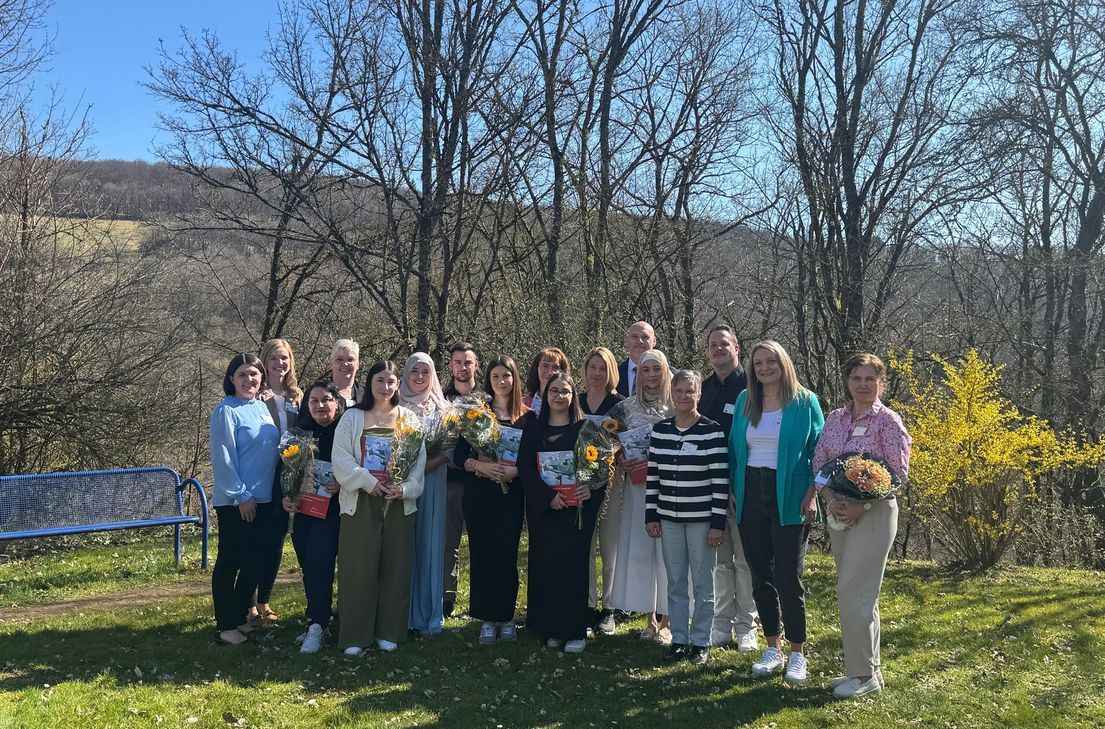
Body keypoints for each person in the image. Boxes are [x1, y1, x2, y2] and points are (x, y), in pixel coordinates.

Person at [813, 353, 911, 699]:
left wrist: (862, 503)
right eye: (857, 378)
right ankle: (870, 671)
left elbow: (898, 474)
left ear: (881, 382)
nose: (863, 385)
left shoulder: (888, 422)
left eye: (871, 379)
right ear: (847, 381)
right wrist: (829, 500)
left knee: (853, 592)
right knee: (859, 593)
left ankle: (863, 675)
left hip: (875, 513)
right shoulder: (836, 419)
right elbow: (820, 461)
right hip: (838, 512)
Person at [729, 340, 824, 684]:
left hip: (790, 495)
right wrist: (732, 490)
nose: (764, 368)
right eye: (758, 363)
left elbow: (821, 453)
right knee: (760, 576)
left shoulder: (805, 402)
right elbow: (734, 452)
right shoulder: (745, 401)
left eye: (771, 361)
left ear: (783, 363)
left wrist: (813, 493)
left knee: (787, 576)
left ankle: (797, 652)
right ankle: (773, 647)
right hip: (750, 493)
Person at [332, 361, 427, 654]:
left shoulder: (409, 419)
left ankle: (390, 630)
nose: (385, 386)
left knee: (395, 567)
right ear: (369, 383)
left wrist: (405, 489)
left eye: (391, 381)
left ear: (398, 385)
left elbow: (418, 462)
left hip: (397, 502)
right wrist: (366, 481)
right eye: (379, 380)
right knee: (358, 569)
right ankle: (355, 636)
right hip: (360, 501)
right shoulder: (352, 418)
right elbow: (341, 458)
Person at [645, 370, 729, 666]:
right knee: (676, 581)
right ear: (672, 394)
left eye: (689, 391)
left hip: (702, 521)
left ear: (698, 395)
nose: (684, 396)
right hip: (668, 519)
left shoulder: (712, 430)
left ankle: (700, 640)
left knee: (703, 583)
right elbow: (653, 476)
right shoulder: (661, 431)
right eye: (678, 391)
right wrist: (651, 515)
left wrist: (717, 524)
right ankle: (679, 638)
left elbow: (720, 481)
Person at [518, 372, 604, 653]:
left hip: (576, 512)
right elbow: (526, 469)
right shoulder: (533, 430)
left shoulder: (585, 430)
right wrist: (546, 497)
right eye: (553, 391)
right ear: (545, 395)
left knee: (574, 569)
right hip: (546, 512)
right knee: (548, 569)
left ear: (572, 396)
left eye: (565, 391)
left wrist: (589, 490)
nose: (559, 396)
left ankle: (575, 630)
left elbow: (601, 470)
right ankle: (552, 628)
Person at [455, 355, 530, 644]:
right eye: (496, 376)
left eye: (507, 376)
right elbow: (460, 455)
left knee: (507, 554)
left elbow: (531, 458)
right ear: (489, 380)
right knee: (483, 553)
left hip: (510, 494)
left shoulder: (527, 417)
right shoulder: (476, 414)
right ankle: (487, 618)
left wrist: (514, 471)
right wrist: (482, 467)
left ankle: (507, 616)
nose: (502, 381)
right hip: (479, 493)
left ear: (515, 379)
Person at [208, 353, 280, 645]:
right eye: (242, 375)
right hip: (237, 501)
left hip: (264, 500)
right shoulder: (226, 411)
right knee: (231, 561)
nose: (249, 380)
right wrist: (241, 496)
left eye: (254, 374)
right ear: (231, 379)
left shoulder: (262, 408)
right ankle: (225, 626)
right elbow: (223, 458)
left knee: (256, 561)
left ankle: (240, 616)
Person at [607, 349, 674, 644]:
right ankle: (649, 618)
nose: (651, 376)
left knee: (669, 554)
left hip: (671, 489)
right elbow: (607, 442)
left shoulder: (676, 404)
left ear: (665, 372)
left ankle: (668, 621)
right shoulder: (625, 408)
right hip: (638, 489)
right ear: (638, 375)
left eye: (656, 370)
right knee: (643, 552)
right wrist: (620, 459)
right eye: (646, 370)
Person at [698, 326, 758, 652]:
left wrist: (736, 486)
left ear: (737, 347)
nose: (718, 349)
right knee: (719, 562)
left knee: (744, 561)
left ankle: (747, 626)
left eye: (725, 344)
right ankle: (721, 624)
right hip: (709, 489)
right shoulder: (702, 390)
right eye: (713, 345)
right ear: (707, 351)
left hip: (743, 487)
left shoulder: (752, 389)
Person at [280, 379, 345, 653]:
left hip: (334, 512)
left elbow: (360, 463)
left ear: (337, 403)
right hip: (305, 511)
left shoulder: (346, 431)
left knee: (320, 564)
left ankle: (318, 624)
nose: (320, 405)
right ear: (307, 405)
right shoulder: (298, 434)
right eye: (314, 401)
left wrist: (342, 482)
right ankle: (316, 620)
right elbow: (283, 470)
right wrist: (286, 496)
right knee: (309, 566)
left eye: (326, 400)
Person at [249, 337, 304, 627]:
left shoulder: (298, 396)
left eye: (284, 358)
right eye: (274, 358)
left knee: (275, 542)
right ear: (265, 361)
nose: (279, 364)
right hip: (261, 475)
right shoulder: (256, 395)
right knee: (256, 540)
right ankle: (248, 603)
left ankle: (264, 600)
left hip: (288, 476)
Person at [400, 352, 451, 636]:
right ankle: (402, 612)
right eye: (414, 371)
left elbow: (451, 448)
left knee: (430, 543)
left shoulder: (443, 409)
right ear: (406, 373)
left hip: (433, 482)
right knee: (404, 544)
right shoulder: (394, 405)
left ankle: (428, 614)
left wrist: (432, 462)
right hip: (403, 483)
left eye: (425, 372)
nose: (419, 377)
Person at [579, 346, 625, 634]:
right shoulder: (577, 401)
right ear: (584, 371)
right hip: (582, 482)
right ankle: (586, 604)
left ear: (611, 372)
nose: (597, 373)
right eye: (592, 367)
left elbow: (629, 444)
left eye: (603, 368)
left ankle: (609, 608)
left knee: (610, 547)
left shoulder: (620, 404)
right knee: (584, 545)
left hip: (612, 482)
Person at [442, 342, 480, 618]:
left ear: (476, 365)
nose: (463, 367)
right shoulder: (441, 400)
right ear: (451, 366)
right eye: (458, 362)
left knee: (482, 543)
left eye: (468, 362)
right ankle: (446, 599)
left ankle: (481, 602)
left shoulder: (487, 398)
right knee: (448, 544)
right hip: (452, 479)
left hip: (483, 480)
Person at [523, 347, 571, 414]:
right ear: (537, 368)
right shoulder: (522, 403)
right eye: (545, 366)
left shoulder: (568, 404)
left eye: (555, 367)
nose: (550, 372)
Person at [616, 321, 657, 397]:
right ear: (626, 341)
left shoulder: (669, 375)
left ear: (654, 342)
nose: (640, 341)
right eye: (635, 337)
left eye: (645, 337)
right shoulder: (613, 375)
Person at [328, 339, 363, 407]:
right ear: (331, 363)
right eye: (339, 359)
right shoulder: (316, 392)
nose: (345, 364)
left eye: (350, 359)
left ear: (358, 364)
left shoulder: (367, 394)